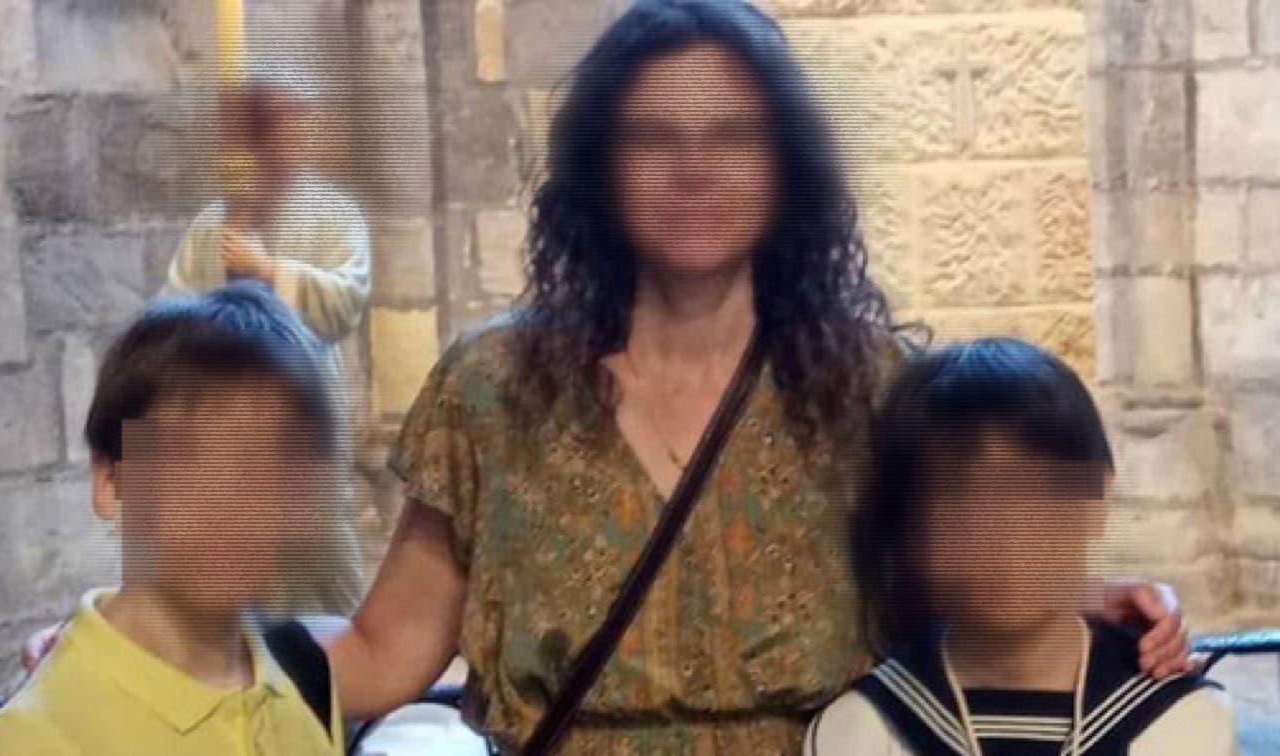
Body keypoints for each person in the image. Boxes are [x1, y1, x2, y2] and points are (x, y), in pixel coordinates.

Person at [326, 1, 1194, 753]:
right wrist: (237, 650)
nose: (694, 168)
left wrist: (1085, 604)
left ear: (785, 167)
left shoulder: (872, 392)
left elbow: (958, 589)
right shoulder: (491, 392)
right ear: (602, 165)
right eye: (654, 136)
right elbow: (382, 652)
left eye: (733, 135)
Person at [805, 338, 1237, 756]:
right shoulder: (861, 733)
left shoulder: (1183, 724)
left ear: (1097, 499)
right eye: (959, 506)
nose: (1002, 539)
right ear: (910, 535)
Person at [0, 284, 345, 755]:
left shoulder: (303, 675)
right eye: (188, 455)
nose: (230, 500)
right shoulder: (31, 740)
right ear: (109, 480)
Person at [163, 60, 370, 616]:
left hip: (304, 417)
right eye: (276, 125)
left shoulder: (333, 213)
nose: (291, 141)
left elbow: (346, 301)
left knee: (320, 570)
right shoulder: (214, 224)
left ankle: (334, 667)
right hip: (228, 429)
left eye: (298, 124)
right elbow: (171, 315)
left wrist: (270, 271)